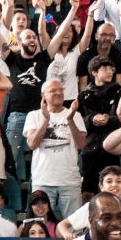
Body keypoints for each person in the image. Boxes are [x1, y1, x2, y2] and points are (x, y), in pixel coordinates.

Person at [22, 78, 86, 220]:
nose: (58, 93)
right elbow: (32, 144)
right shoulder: (34, 115)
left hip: (69, 181)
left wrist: (70, 120)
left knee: (74, 227)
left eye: (60, 90)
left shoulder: (75, 115)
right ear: (43, 95)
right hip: (43, 180)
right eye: (53, 90)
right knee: (40, 225)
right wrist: (46, 120)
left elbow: (81, 144)